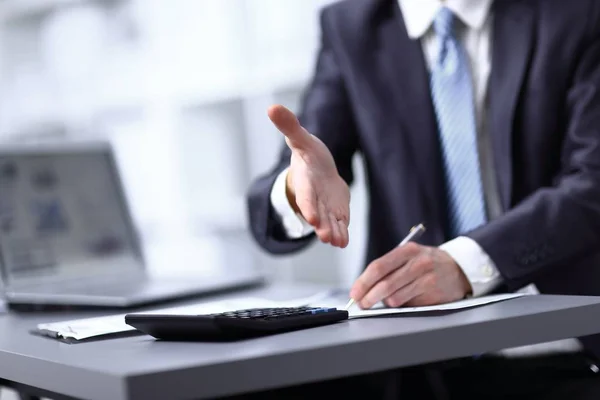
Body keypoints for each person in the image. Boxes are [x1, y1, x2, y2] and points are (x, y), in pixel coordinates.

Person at [246, 0, 600, 398]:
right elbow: (296, 174)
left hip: (564, 355)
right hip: (409, 370)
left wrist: (465, 265)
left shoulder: (578, 12)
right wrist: (297, 192)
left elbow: (592, 183)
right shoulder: (351, 25)